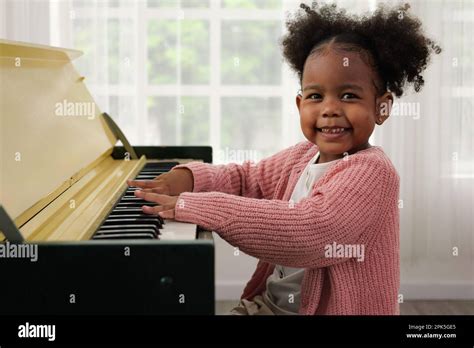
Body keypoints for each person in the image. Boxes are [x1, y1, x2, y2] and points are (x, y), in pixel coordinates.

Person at [128, 2, 441, 315]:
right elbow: (246, 178)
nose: (329, 108)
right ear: (299, 104)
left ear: (382, 107)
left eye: (348, 95)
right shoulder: (302, 157)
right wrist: (191, 179)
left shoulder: (373, 171)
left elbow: (308, 230)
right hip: (272, 306)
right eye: (316, 96)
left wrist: (201, 206)